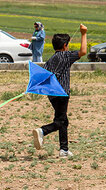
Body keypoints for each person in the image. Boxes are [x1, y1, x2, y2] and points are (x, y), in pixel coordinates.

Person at [32, 24, 88, 158]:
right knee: (60, 121)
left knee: (63, 120)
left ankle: (64, 150)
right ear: (65, 46)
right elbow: (83, 51)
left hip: (51, 94)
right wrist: (84, 33)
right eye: (68, 45)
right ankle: (42, 131)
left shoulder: (51, 59)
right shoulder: (65, 56)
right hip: (62, 93)